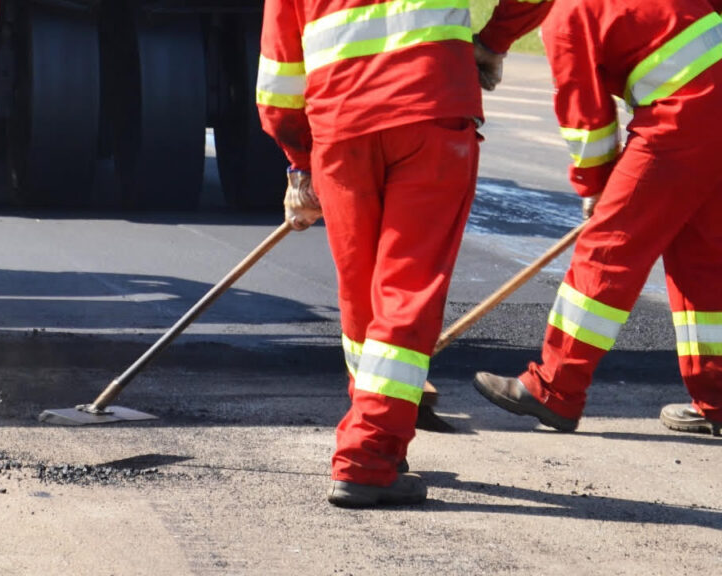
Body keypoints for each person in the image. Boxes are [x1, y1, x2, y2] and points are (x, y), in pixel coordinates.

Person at [256, 0, 553, 508]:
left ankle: (375, 433)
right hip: (429, 108)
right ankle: (369, 453)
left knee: (362, 295)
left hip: (341, 126)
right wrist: (494, 40)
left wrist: (300, 163)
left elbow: (278, 79)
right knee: (407, 288)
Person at [473, 0, 722, 438]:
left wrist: (596, 186)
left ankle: (555, 389)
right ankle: (718, 397)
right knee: (702, 260)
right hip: (707, 106)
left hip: (683, 117)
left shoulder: (567, 15)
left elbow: (585, 119)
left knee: (608, 250)